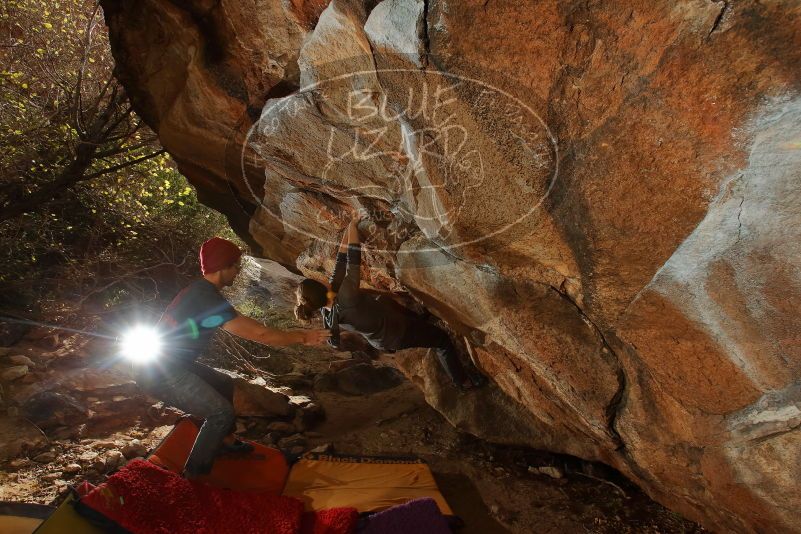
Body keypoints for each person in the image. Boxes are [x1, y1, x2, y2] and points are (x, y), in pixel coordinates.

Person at [136, 237, 329, 478]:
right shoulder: (204, 297)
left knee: (224, 383)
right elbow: (260, 334)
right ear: (222, 266)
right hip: (159, 372)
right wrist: (303, 337)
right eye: (235, 265)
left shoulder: (201, 292)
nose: (238, 271)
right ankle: (193, 478)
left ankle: (225, 443)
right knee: (220, 413)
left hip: (166, 364)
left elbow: (243, 324)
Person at [294, 215, 486, 390]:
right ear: (321, 287)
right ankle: (463, 382)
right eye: (317, 280)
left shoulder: (327, 306)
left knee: (383, 299)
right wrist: (353, 225)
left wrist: (349, 227)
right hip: (395, 333)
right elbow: (352, 255)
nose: (320, 277)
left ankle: (420, 319)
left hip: (382, 329)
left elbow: (340, 261)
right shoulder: (346, 295)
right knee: (442, 341)